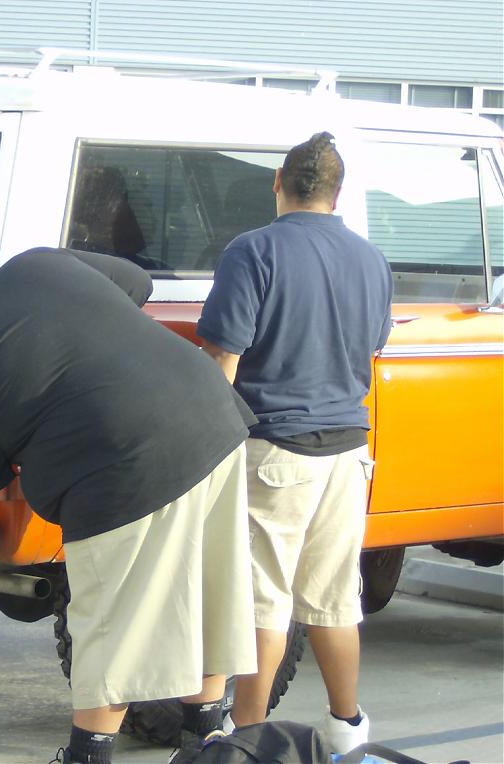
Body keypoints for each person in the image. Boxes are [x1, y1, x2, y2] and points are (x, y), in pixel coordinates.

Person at [0, 247, 257, 764]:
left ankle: (88, 757)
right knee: (211, 592)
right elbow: (136, 283)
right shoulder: (32, 264)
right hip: (214, 416)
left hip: (125, 467)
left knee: (112, 622)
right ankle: (208, 743)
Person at [197, 132, 393, 754]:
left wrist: (208, 447)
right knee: (335, 599)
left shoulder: (253, 251)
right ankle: (348, 728)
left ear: (277, 183)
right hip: (348, 453)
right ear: (339, 193)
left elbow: (223, 354)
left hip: (275, 449)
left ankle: (251, 739)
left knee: (264, 603)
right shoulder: (371, 258)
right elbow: (373, 344)